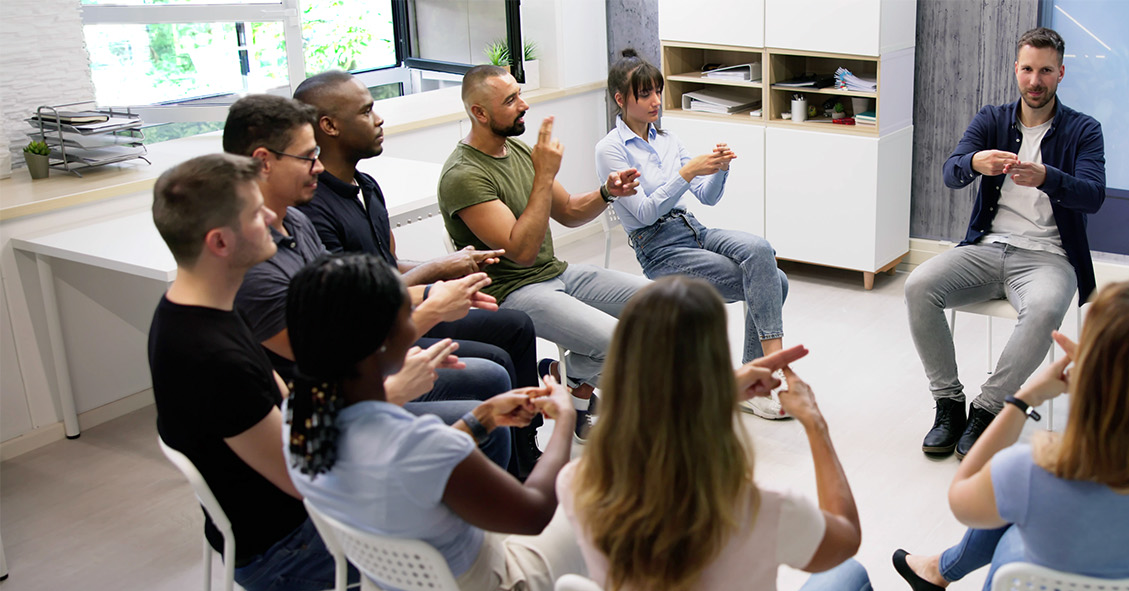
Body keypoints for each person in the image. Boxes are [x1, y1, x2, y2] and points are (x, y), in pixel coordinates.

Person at [147, 154, 504, 591]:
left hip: (298, 496)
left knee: (470, 429)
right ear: (219, 242)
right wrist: (387, 395)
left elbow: (293, 408)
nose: (272, 219)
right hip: (285, 545)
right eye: (256, 214)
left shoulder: (202, 306)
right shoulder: (212, 358)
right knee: (455, 505)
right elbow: (302, 472)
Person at [892, 282, 1129, 591]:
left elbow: (961, 498)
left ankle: (938, 571)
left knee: (1015, 530)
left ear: (1091, 376)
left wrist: (1024, 399)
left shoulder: (1033, 470)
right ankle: (936, 571)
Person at [284, 252, 586, 591]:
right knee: (588, 484)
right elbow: (533, 512)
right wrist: (563, 416)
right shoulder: (415, 443)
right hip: (489, 587)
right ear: (381, 342)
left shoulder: (300, 414)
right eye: (405, 320)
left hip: (395, 587)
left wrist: (482, 418)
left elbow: (419, 469)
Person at [293, 71, 548, 474]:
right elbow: (355, 298)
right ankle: (511, 468)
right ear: (329, 126)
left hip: (397, 311)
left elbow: (387, 264)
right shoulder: (315, 210)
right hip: (377, 332)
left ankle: (525, 445)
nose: (379, 120)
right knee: (494, 364)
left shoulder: (366, 185)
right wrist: (435, 273)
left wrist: (453, 268)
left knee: (514, 327)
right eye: (367, 111)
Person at [556, 277, 871, 591]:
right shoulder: (761, 510)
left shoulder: (576, 484)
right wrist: (815, 423)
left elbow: (658, 415)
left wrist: (718, 392)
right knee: (850, 574)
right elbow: (846, 538)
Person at [223, 94, 515, 411]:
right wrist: (431, 310)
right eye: (307, 157)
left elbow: (349, 298)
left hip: (356, 371)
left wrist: (433, 292)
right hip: (330, 410)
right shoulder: (252, 268)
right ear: (264, 161)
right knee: (486, 387)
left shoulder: (294, 220)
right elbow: (332, 360)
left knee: (492, 374)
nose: (318, 167)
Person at [907, 27, 1106, 458]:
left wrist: (1048, 177)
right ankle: (948, 404)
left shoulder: (1084, 130)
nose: (1035, 81)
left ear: (1061, 74)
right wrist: (974, 161)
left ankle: (988, 409)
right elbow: (951, 171)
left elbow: (1094, 196)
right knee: (918, 286)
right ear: (1016, 70)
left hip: (1050, 257)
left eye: (1046, 71)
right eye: (1028, 69)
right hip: (986, 247)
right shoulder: (991, 119)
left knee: (1045, 310)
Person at [437, 64, 647, 440]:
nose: (524, 105)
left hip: (557, 273)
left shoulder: (516, 150)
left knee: (659, 303)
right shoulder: (463, 176)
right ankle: (577, 387)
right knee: (620, 341)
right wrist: (545, 175)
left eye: (520, 93)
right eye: (511, 100)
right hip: (513, 292)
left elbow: (567, 211)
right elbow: (521, 252)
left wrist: (606, 191)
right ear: (479, 113)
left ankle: (564, 378)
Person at [594, 48, 792, 420]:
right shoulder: (610, 150)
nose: (656, 101)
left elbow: (707, 197)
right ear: (621, 99)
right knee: (773, 284)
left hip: (693, 228)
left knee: (762, 252)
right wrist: (686, 174)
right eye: (645, 94)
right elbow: (646, 210)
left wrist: (718, 168)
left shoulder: (668, 138)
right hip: (658, 247)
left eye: (657, 91)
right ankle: (760, 377)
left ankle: (758, 374)